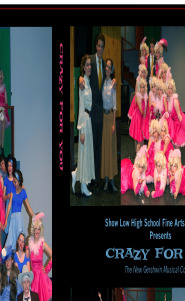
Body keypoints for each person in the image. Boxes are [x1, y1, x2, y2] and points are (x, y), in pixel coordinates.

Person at [72, 54, 95, 196]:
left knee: (87, 152)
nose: (89, 67)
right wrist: (81, 130)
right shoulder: (83, 83)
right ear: (83, 67)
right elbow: (81, 106)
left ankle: (76, 174)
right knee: (84, 153)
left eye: (90, 64)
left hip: (88, 119)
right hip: (84, 120)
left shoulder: (87, 81)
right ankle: (83, 185)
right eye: (87, 65)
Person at [89, 33, 106, 192]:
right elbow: (84, 75)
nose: (100, 48)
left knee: (99, 146)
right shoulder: (90, 61)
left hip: (102, 112)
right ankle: (90, 177)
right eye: (98, 45)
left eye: (102, 46)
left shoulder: (105, 64)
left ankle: (97, 177)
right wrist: (81, 80)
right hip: (91, 111)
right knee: (91, 145)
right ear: (96, 46)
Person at [101, 58, 118, 192]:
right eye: (106, 67)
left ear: (112, 70)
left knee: (111, 149)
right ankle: (106, 180)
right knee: (105, 149)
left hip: (110, 118)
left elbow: (114, 105)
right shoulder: (101, 83)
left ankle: (112, 180)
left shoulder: (113, 84)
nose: (107, 69)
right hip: (103, 118)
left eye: (109, 67)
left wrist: (113, 124)